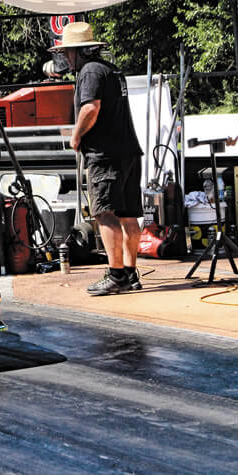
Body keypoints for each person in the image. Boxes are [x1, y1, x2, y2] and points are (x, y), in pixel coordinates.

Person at [49, 21, 144, 296]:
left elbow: (91, 108)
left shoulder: (89, 72)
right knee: (128, 214)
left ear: (80, 52)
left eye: (68, 52)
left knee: (105, 213)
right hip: (128, 150)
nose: (65, 57)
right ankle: (129, 272)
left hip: (105, 154)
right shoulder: (111, 70)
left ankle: (116, 276)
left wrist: (76, 136)